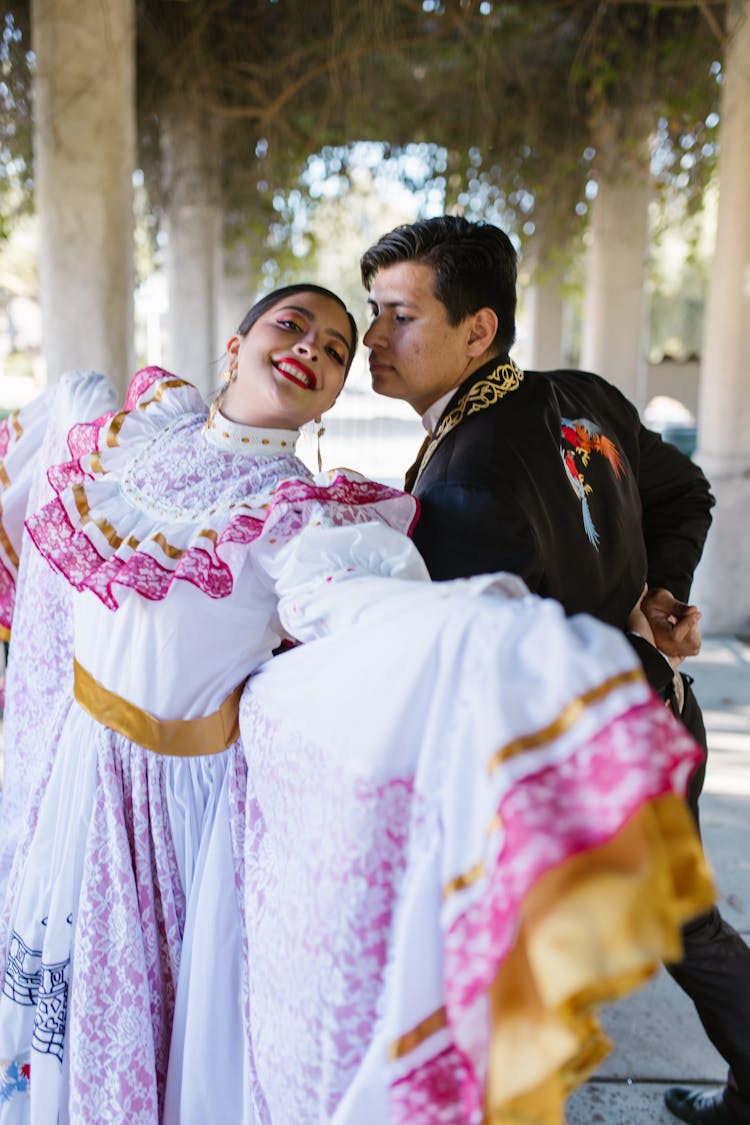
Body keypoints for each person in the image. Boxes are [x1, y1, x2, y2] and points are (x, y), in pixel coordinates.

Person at [0, 283, 713, 1125]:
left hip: (179, 823)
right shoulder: (137, 432)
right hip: (84, 783)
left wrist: (479, 635)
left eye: (336, 349)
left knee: (164, 1053)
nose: (312, 346)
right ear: (236, 346)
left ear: (333, 396)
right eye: (291, 324)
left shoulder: (302, 517)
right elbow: (52, 446)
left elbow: (355, 602)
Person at [360, 214, 750, 1125]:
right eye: (372, 312)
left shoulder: (466, 481)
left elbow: (466, 668)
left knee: (521, 948)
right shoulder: (576, 394)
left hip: (575, 754)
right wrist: (659, 586)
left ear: (478, 330)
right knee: (673, 924)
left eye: (399, 315)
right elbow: (680, 489)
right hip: (651, 712)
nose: (375, 338)